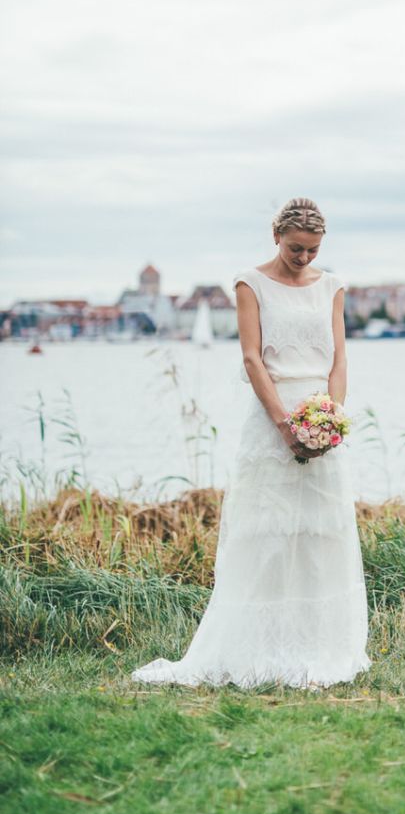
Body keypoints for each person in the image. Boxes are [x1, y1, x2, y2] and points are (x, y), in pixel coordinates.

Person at [131, 197, 371, 689]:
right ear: (276, 237)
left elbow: (340, 359)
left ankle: (318, 645)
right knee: (266, 535)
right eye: (295, 248)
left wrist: (329, 416)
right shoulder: (250, 283)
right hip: (272, 419)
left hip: (321, 418)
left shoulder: (332, 287)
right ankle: (257, 646)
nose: (304, 257)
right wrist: (285, 425)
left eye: (313, 249)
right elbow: (252, 359)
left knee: (321, 535)